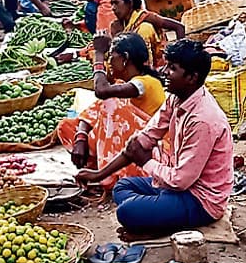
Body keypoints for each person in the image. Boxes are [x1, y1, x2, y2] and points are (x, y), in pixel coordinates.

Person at [76, 39, 233, 232]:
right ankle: (159, 209)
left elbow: (180, 180)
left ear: (192, 77)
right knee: (121, 187)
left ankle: (158, 212)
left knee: (126, 212)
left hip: (200, 198)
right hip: (176, 187)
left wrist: (145, 162)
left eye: (172, 68)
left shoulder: (203, 120)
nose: (164, 72)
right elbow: (143, 140)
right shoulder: (175, 99)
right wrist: (99, 174)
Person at [59, 32, 167, 185]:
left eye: (112, 57)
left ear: (124, 59)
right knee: (68, 126)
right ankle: (105, 165)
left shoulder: (146, 83)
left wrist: (99, 56)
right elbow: (95, 108)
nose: (109, 62)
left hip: (150, 151)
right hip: (127, 141)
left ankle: (108, 176)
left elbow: (102, 92)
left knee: (111, 104)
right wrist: (81, 137)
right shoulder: (122, 83)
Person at [109, 0, 186, 65]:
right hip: (129, 68)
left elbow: (179, 27)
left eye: (116, 3)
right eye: (112, 3)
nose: (113, 8)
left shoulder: (146, 17)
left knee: (145, 29)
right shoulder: (116, 26)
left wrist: (179, 58)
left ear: (130, 3)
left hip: (157, 66)